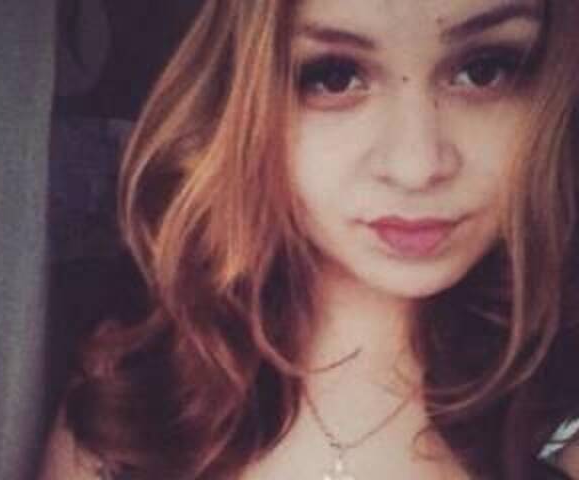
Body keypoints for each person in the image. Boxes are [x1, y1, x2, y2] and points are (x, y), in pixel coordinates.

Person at [39, 0, 579, 478]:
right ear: (242, 102)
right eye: (336, 77)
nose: (416, 166)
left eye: (483, 71)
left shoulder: (561, 423)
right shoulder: (133, 394)